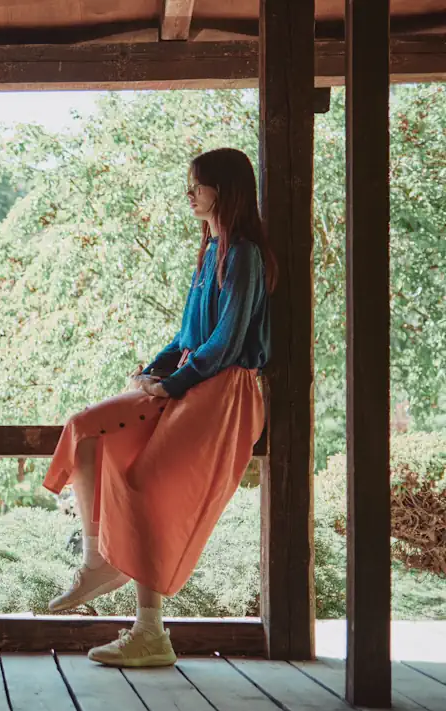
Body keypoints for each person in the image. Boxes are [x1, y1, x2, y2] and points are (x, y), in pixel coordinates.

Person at [41, 147, 273, 668]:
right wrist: (154, 370)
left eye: (197, 185)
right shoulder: (211, 249)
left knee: (141, 484)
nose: (188, 194)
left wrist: (174, 385)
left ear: (224, 190)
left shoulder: (245, 255)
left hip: (225, 393)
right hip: (192, 380)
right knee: (86, 430)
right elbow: (189, 335)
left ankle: (151, 633)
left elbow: (229, 342)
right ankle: (97, 561)